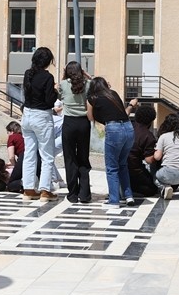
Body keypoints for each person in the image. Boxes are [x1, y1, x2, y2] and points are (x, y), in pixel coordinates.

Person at [86, 76, 135, 207]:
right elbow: (124, 112)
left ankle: (114, 200)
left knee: (112, 167)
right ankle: (128, 196)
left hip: (114, 129)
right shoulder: (113, 94)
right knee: (123, 164)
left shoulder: (92, 98)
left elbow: (90, 117)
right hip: (128, 127)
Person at [20, 47, 59, 201]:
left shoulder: (27, 74)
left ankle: (29, 189)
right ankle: (45, 190)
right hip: (42, 117)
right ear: (48, 61)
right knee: (47, 155)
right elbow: (50, 101)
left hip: (27, 116)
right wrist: (55, 91)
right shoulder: (47, 77)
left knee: (29, 154)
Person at [58, 61, 92, 203]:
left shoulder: (63, 84)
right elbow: (94, 82)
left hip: (69, 123)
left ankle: (72, 194)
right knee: (83, 158)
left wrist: (64, 73)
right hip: (83, 123)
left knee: (70, 159)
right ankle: (84, 194)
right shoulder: (88, 84)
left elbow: (60, 97)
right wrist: (85, 73)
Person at [152, 113, 179, 200]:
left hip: (169, 173)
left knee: (155, 176)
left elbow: (157, 157)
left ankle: (165, 187)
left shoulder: (163, 137)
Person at [127, 102, 160, 198]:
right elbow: (149, 160)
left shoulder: (128, 126)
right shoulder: (148, 136)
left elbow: (124, 115)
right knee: (152, 189)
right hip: (135, 170)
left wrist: (130, 106)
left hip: (121, 167)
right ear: (151, 120)